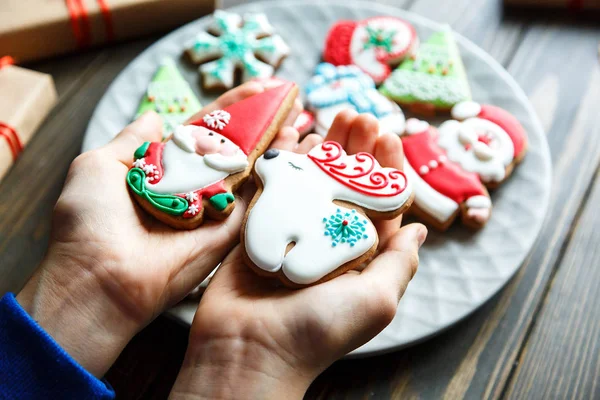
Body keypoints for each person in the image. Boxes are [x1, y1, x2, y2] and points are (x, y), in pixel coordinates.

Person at [0, 82, 427, 399]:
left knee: (303, 253)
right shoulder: (247, 185)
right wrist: (90, 279)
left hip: (330, 231)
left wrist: (86, 285)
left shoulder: (311, 200)